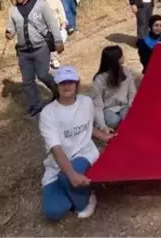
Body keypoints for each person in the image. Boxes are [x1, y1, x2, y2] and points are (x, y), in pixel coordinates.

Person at [39, 66, 113, 221]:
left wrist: (102, 136)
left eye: (70, 82)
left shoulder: (86, 102)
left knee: (67, 178)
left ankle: (86, 199)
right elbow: (55, 148)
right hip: (58, 162)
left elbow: (88, 125)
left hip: (84, 152)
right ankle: (75, 185)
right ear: (57, 85)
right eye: (62, 82)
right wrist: (72, 174)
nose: (66, 86)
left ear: (77, 84)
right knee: (53, 212)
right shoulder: (48, 113)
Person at [6, 0, 64, 117]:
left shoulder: (41, 5)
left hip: (41, 47)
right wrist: (9, 33)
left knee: (43, 74)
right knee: (27, 80)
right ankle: (34, 105)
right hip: (23, 51)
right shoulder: (13, 10)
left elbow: (52, 24)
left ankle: (58, 91)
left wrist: (58, 41)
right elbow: (11, 28)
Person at [91, 46, 137, 132]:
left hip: (124, 106)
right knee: (114, 121)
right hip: (108, 109)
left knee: (128, 117)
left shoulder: (126, 72)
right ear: (116, 60)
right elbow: (98, 105)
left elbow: (132, 92)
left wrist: (131, 106)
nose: (124, 57)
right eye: (121, 55)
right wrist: (103, 126)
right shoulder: (99, 80)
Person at [39, 0, 68, 69]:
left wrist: (63, 22)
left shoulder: (56, 0)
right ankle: (46, 61)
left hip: (56, 26)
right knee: (45, 45)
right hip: (44, 28)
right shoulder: (39, 2)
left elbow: (61, 12)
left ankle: (55, 59)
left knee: (56, 44)